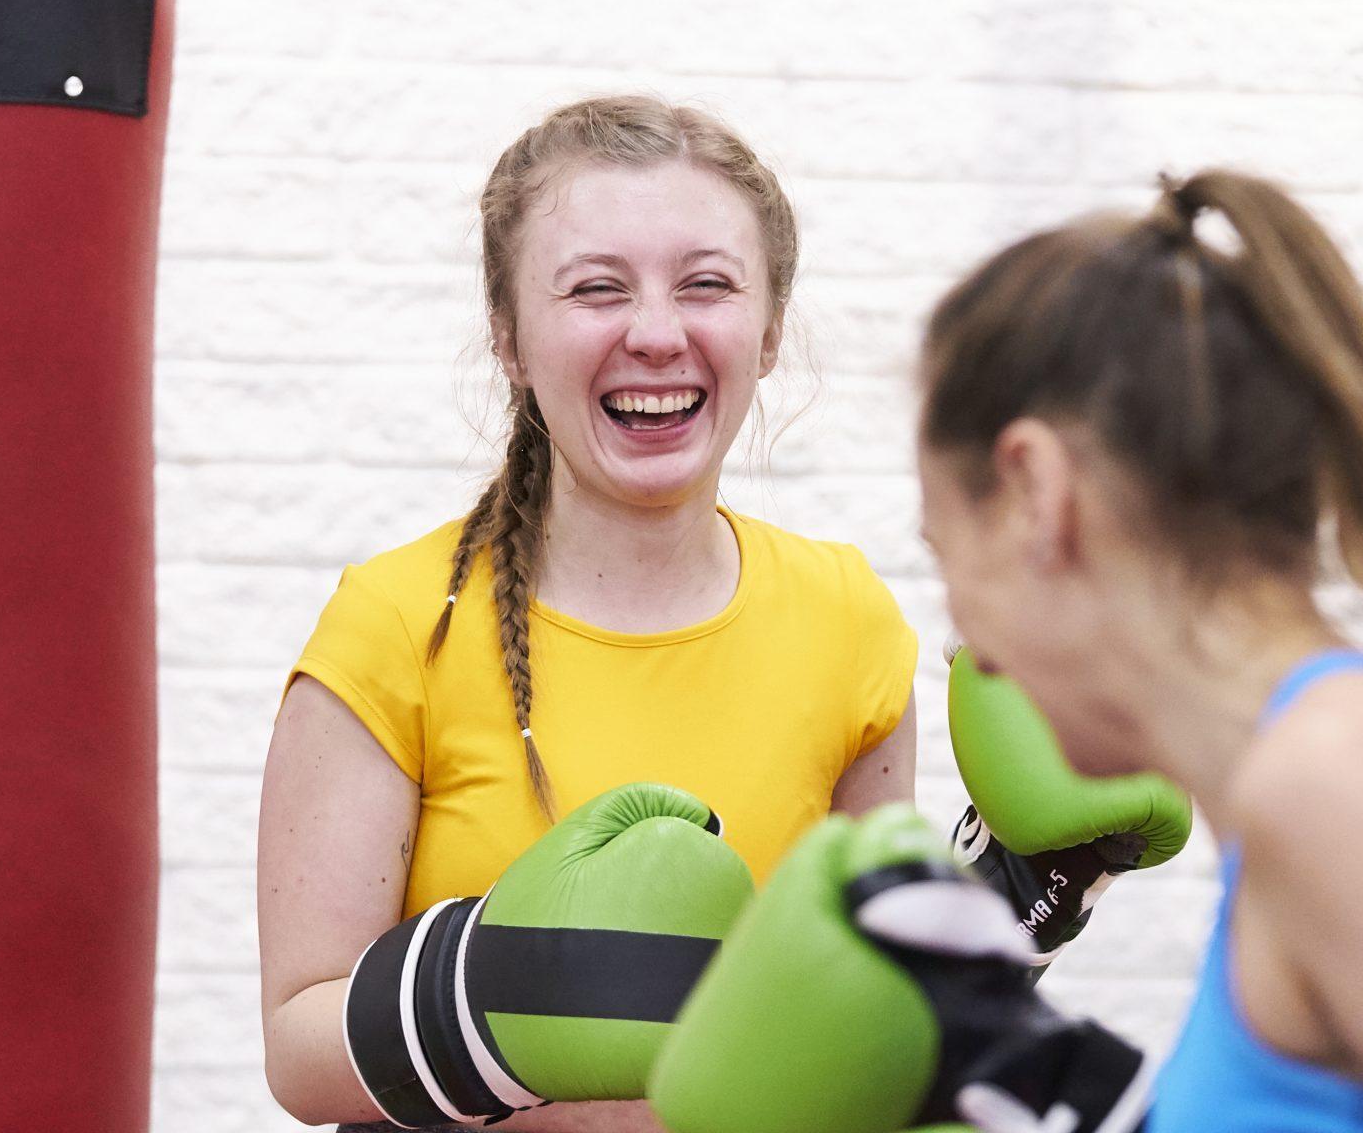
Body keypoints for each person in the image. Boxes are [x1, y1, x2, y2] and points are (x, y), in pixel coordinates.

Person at [651, 171, 1363, 1133]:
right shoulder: (1317, 783)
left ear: (1036, 494)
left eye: (949, 555)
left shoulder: (1356, 782)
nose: (960, 636)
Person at [256, 95, 919, 1132]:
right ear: (509, 338)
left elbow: (887, 991)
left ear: (771, 328)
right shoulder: (396, 623)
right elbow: (300, 1044)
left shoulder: (847, 616)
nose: (656, 334)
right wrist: (499, 995)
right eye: (596, 289)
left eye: (706, 284)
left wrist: (1039, 886)